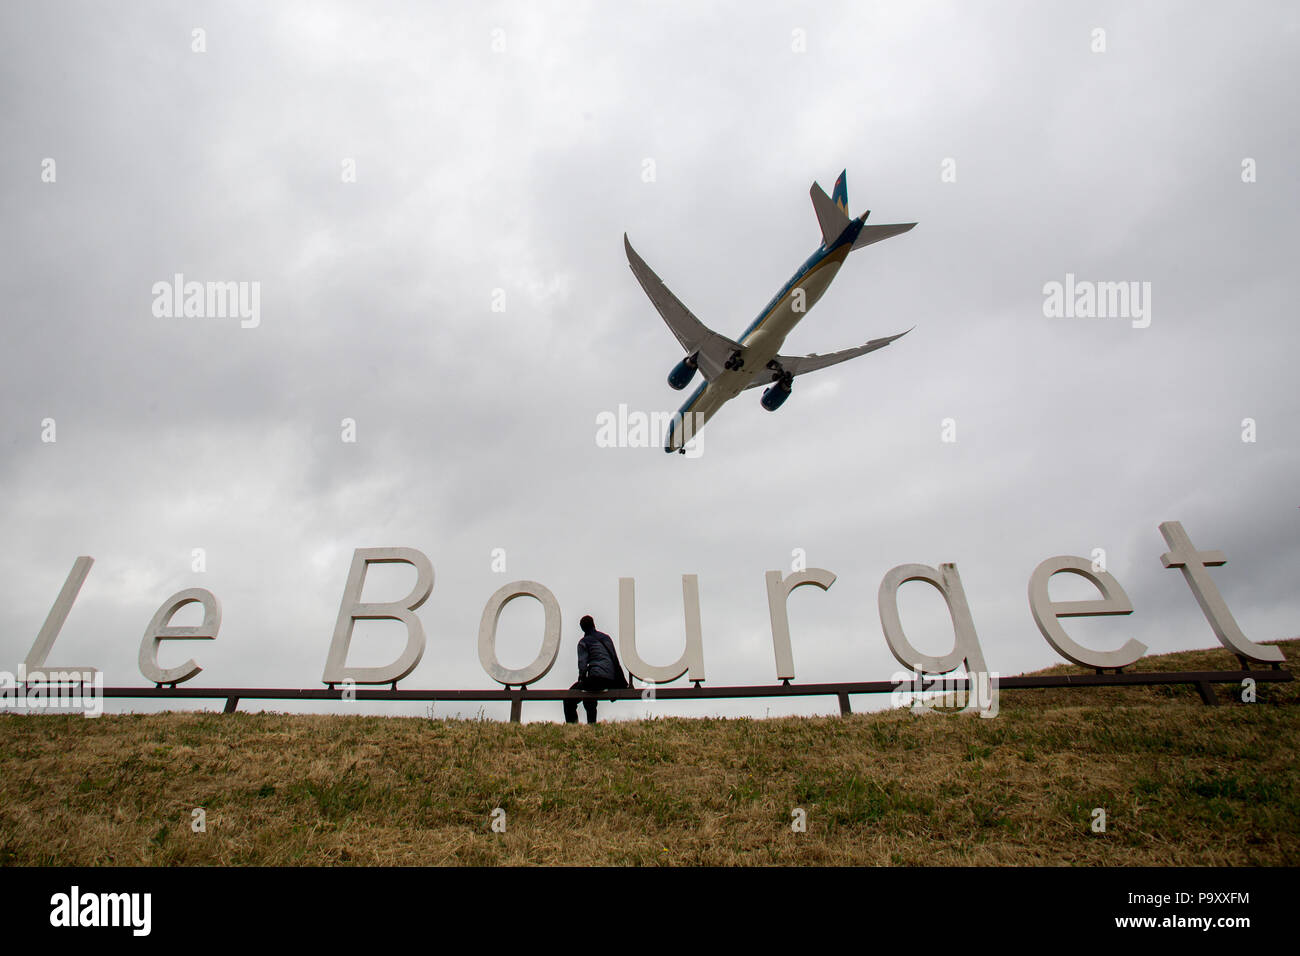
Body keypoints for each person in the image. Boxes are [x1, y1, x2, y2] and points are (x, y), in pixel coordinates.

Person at [563, 615, 628, 724]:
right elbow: (614, 658)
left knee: (569, 698)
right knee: (589, 690)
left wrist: (581, 678)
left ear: (582, 629)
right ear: (594, 624)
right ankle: (591, 725)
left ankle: (573, 728)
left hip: (597, 678)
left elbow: (582, 665)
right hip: (612, 680)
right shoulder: (606, 638)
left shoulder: (583, 642)